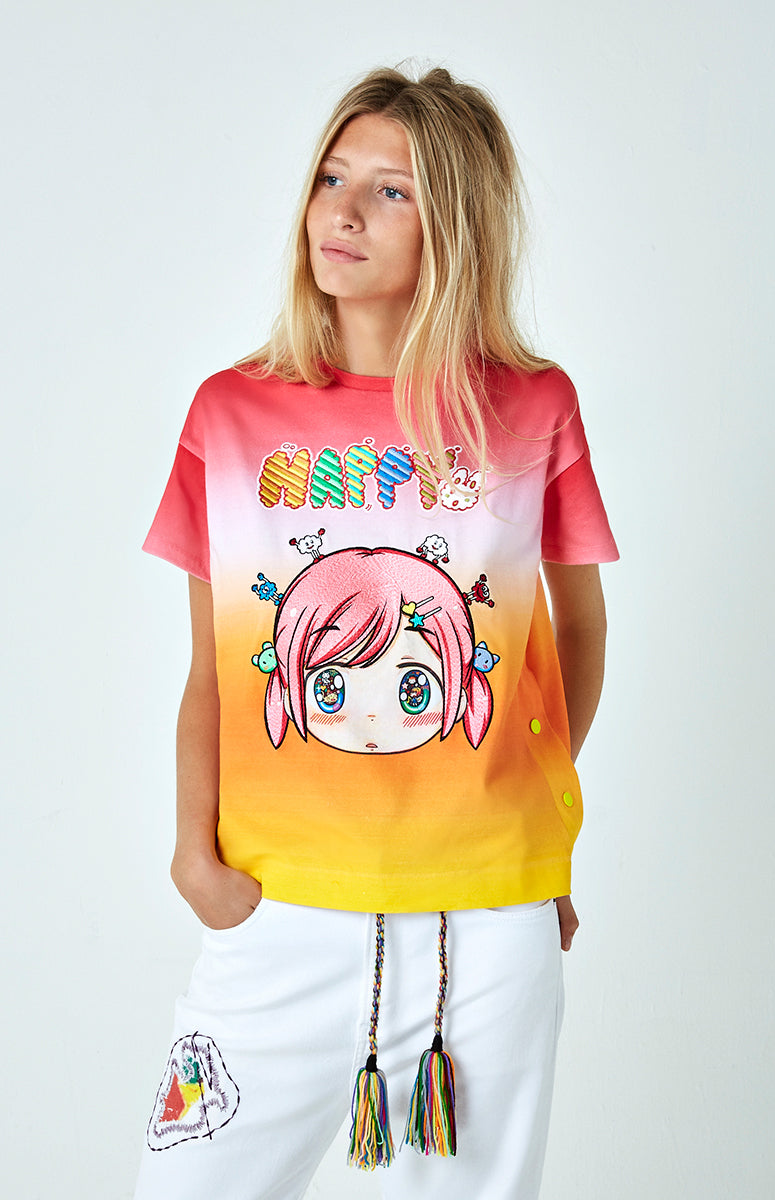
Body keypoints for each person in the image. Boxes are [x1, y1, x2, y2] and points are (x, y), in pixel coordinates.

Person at [134, 65, 618, 1200]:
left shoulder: (530, 405)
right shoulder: (230, 412)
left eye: (391, 191)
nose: (342, 211)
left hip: (481, 925)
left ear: (454, 225)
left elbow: (579, 632)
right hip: (278, 907)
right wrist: (195, 857)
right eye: (331, 178)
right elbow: (213, 670)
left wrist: (519, 826)